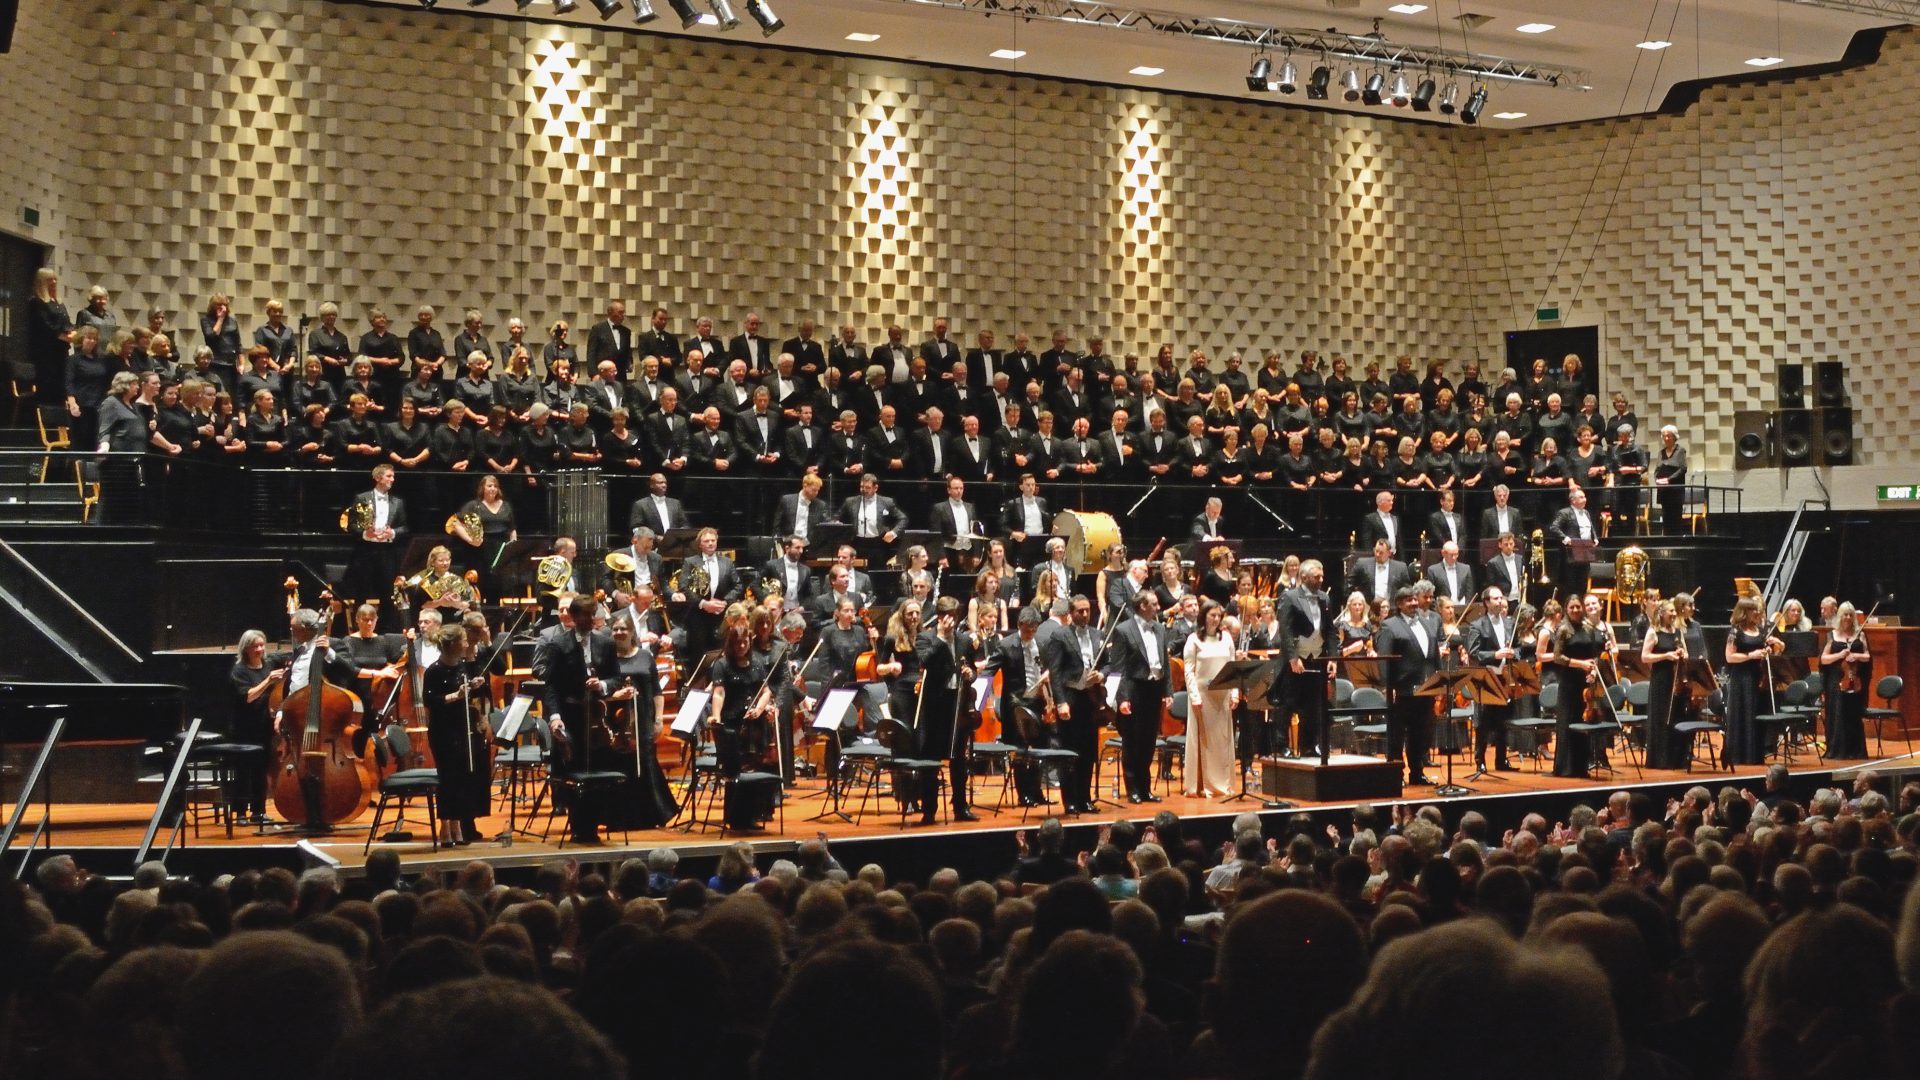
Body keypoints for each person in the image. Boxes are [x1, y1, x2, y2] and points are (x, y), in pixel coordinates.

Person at [422, 625, 488, 847]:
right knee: (447, 778)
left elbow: (468, 694)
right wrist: (455, 695)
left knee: (461, 778)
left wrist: (474, 686)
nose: (467, 644)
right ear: (452, 645)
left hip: (462, 728)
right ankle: (445, 825)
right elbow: (430, 701)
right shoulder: (434, 670)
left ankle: (457, 823)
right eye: (463, 641)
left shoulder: (461, 667)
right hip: (443, 730)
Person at [1108, 590, 1171, 804]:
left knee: (1148, 742)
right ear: (1143, 606)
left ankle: (1146, 789)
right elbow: (1118, 669)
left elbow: (1166, 663)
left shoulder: (1160, 629)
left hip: (1153, 690)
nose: (1158, 607)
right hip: (1134, 690)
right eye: (1154, 604)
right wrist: (1122, 698)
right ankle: (1133, 788)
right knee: (1133, 743)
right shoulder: (1123, 630)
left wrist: (1168, 691)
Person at [1375, 587, 1437, 786]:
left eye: (1414, 600)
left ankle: (1417, 772)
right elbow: (1384, 660)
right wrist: (1387, 687)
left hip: (1425, 688)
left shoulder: (1426, 623)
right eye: (1409, 600)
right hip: (1401, 690)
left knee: (1420, 733)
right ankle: (1396, 774)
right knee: (1397, 735)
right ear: (1399, 603)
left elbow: (1432, 654)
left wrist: (1436, 683)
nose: (1414, 603)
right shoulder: (1389, 626)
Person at [1545, 592, 1605, 778]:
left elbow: (1595, 653)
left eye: (1578, 606)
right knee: (1568, 722)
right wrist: (1581, 664)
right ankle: (1566, 768)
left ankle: (1581, 765)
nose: (1575, 610)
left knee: (1583, 721)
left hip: (1585, 682)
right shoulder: (1563, 629)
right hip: (1569, 683)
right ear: (1566, 610)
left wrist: (1594, 669)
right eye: (1572, 607)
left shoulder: (1588, 628)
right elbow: (1557, 657)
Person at [1280, 559, 1334, 762]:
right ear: (1303, 577)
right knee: (1289, 703)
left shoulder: (1325, 598)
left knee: (1314, 705)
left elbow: (1330, 631)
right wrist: (1293, 657)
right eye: (1316, 577)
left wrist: (1332, 658)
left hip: (1317, 657)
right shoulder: (1290, 596)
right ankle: (1282, 746)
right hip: (1296, 659)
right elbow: (1285, 630)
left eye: (1322, 576)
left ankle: (1310, 746)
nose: (1321, 580)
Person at [1183, 600, 1237, 797]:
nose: (1216, 619)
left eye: (1218, 616)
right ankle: (1200, 785)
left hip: (1222, 695)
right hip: (1202, 696)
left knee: (1222, 742)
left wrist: (1235, 693)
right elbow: (1188, 670)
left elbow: (1233, 666)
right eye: (1212, 615)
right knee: (1203, 741)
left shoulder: (1227, 639)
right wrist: (1194, 696)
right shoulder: (1194, 639)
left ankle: (1222, 784)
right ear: (1204, 616)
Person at [341, 465, 407, 627]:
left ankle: (386, 631)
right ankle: (359, 631)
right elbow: (351, 525)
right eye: (389, 476)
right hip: (365, 552)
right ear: (378, 478)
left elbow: (404, 527)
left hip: (387, 552)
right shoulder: (361, 498)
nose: (393, 479)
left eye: (393, 476)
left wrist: (392, 533)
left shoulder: (398, 502)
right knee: (361, 591)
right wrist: (365, 534)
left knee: (388, 593)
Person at [228, 629, 281, 825]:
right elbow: (248, 697)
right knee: (243, 770)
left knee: (261, 770)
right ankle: (241, 813)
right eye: (255, 646)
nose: (259, 649)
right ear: (246, 649)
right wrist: (268, 681)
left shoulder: (268, 665)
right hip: (244, 727)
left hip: (263, 725)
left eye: (261, 645)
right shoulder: (239, 670)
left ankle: (258, 812)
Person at [1722, 596, 1781, 767]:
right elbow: (1730, 656)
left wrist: (1768, 649)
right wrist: (1750, 655)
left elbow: (1764, 650)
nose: (1757, 612)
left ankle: (1755, 754)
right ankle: (1740, 755)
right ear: (1744, 612)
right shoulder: (1735, 631)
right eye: (1753, 609)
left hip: (1758, 678)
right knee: (1743, 714)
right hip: (1741, 678)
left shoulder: (1759, 630)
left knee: (1756, 714)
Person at [1466, 585, 1518, 772]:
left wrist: (1514, 652)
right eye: (1495, 599)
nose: (1500, 602)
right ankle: (1480, 761)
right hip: (1486, 678)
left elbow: (1519, 647)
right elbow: (1474, 652)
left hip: (1505, 677)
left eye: (1501, 598)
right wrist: (1496, 654)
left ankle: (1501, 760)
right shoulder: (1477, 625)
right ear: (1487, 602)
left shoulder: (1510, 623)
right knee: (1483, 723)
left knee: (1503, 721)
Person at [1821, 602, 1871, 759]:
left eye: (1851, 615)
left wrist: (1856, 656)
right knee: (1838, 714)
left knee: (1853, 715)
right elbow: (1823, 659)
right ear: (1840, 616)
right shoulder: (1832, 635)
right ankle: (1838, 750)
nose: (1848, 617)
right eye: (1845, 614)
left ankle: (1856, 750)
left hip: (1854, 680)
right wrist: (1840, 655)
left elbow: (1867, 656)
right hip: (1836, 681)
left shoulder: (1860, 634)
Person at [1641, 599, 1687, 770]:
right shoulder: (1653, 632)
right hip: (1661, 680)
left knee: (1675, 717)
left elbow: (1686, 653)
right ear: (1661, 613)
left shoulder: (1678, 631)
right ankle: (1660, 760)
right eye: (1671, 611)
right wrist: (1665, 656)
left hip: (1676, 680)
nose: (1674, 614)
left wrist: (1682, 653)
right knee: (1660, 719)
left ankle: (1676, 760)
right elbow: (1645, 657)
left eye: (1675, 611)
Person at [1653, 425, 1688, 534]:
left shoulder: (1680, 450)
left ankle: (1676, 538)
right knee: (1666, 515)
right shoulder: (1661, 452)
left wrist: (1669, 480)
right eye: (1664, 436)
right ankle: (1666, 537)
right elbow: (1657, 469)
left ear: (1674, 437)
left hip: (1675, 489)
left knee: (1676, 515)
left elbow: (1683, 468)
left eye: (1669, 436)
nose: (1666, 438)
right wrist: (1657, 480)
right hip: (1664, 490)